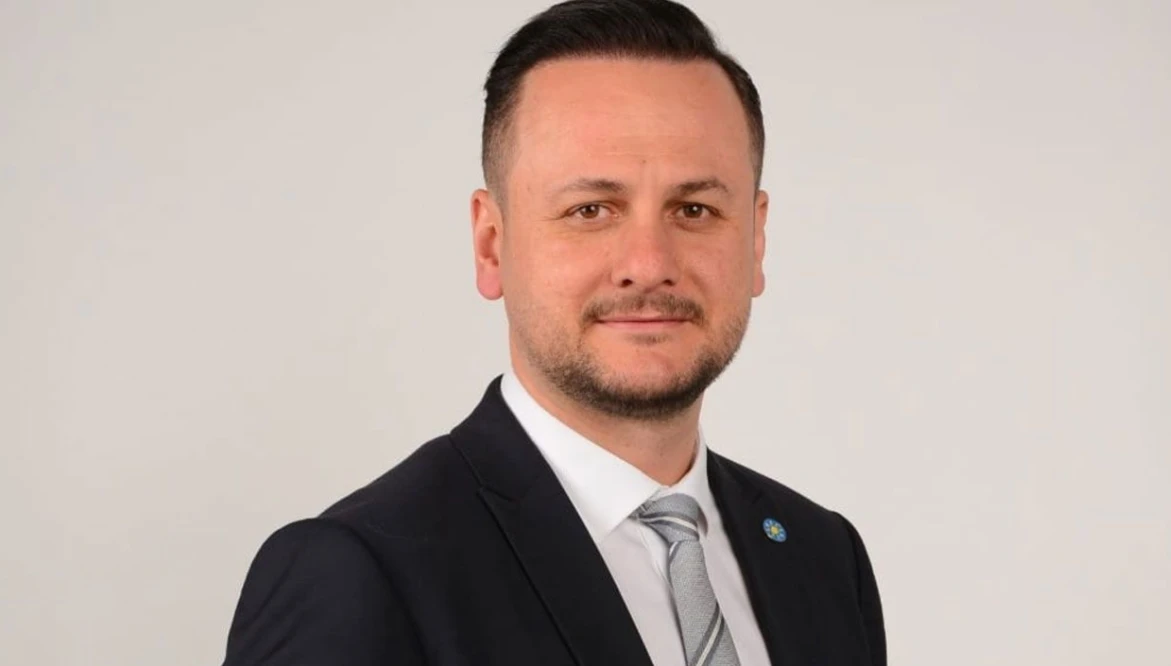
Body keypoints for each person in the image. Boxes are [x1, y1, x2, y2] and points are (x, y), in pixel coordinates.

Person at [222, 0, 885, 664]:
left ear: (756, 239)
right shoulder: (360, 573)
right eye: (590, 209)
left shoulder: (823, 559)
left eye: (694, 208)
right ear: (491, 243)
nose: (648, 263)